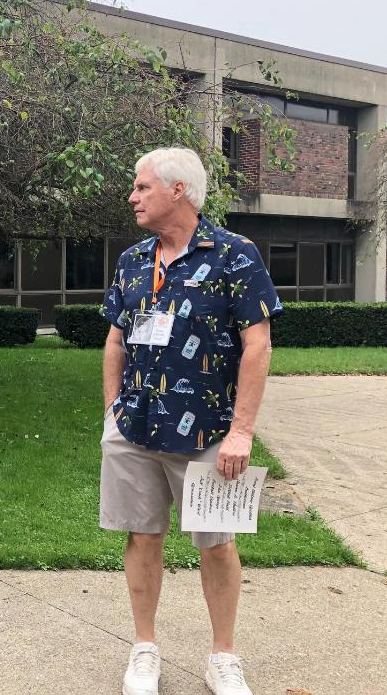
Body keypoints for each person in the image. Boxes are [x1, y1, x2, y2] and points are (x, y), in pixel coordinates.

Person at [99, 148, 281, 695]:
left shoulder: (235, 255)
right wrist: (113, 409)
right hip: (134, 427)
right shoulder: (133, 259)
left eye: (142, 187)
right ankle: (145, 649)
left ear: (178, 190)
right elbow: (114, 339)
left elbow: (258, 345)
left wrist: (243, 431)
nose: (133, 196)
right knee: (141, 535)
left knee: (217, 542)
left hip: (209, 432)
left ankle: (223, 657)